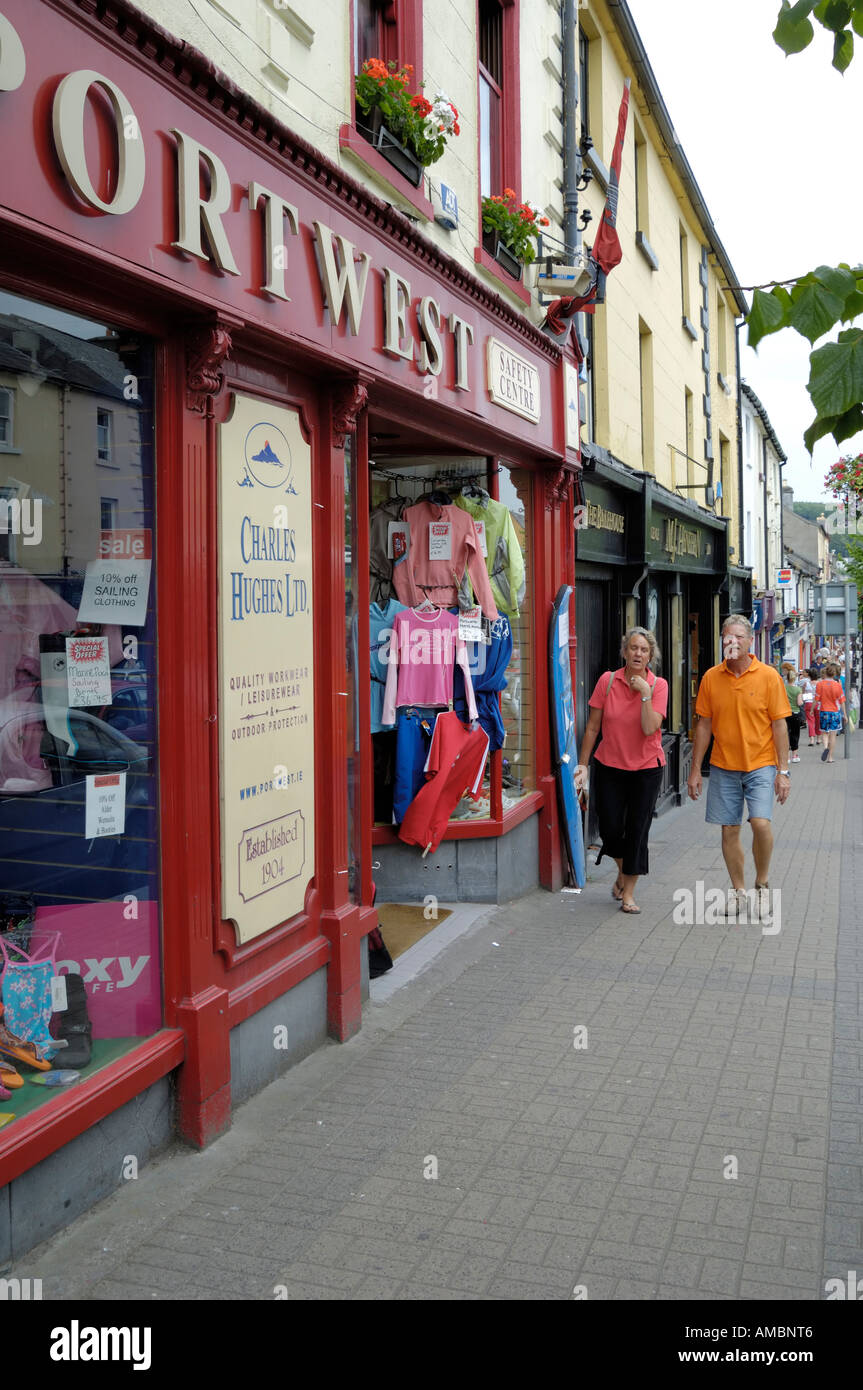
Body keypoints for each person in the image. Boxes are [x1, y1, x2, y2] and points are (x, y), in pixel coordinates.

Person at [687, 615, 791, 918]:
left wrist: (783, 772)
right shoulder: (710, 678)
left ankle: (762, 883)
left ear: (750, 641)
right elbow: (703, 726)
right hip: (723, 766)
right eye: (726, 637)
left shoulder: (768, 676)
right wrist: (695, 771)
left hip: (761, 763)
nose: (731, 642)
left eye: (738, 637)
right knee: (729, 831)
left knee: (760, 823)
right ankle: (738, 892)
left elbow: (779, 725)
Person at [574, 627, 668, 915]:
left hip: (646, 770)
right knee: (611, 829)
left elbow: (650, 727)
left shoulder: (658, 685)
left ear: (650, 656)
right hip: (609, 765)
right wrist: (582, 764)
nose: (638, 654)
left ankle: (628, 893)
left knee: (637, 832)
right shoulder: (608, 680)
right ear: (625, 652)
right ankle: (623, 871)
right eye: (633, 648)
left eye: (644, 650)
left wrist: (644, 694)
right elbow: (592, 727)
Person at [815, 661, 845, 763]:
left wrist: (811, 710)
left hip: (823, 711)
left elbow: (816, 699)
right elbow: (842, 702)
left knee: (824, 733)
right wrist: (844, 714)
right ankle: (830, 757)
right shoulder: (837, 685)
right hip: (835, 712)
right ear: (834, 674)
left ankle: (825, 747)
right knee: (833, 735)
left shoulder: (820, 684)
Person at [781, 664, 804, 763]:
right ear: (794, 679)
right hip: (795, 714)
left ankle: (787, 757)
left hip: (785, 713)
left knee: (785, 734)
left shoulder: (783, 688)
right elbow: (799, 703)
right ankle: (794, 755)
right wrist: (802, 701)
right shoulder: (798, 689)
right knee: (795, 734)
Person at [799, 666, 818, 746]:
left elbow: (803, 694)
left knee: (810, 721)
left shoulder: (806, 684)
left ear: (809, 675)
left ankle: (812, 739)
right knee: (818, 721)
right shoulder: (819, 684)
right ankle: (819, 738)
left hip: (808, 703)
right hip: (817, 703)